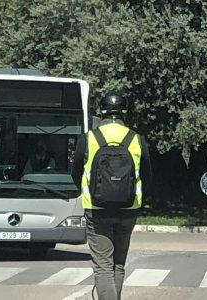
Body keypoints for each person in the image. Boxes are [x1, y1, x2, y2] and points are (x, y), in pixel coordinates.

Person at [71, 93, 152, 300]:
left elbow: (75, 172)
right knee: (118, 263)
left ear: (102, 112)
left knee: (103, 266)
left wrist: (82, 191)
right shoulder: (136, 139)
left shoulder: (88, 138)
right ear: (125, 112)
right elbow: (147, 175)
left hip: (96, 209)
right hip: (128, 209)